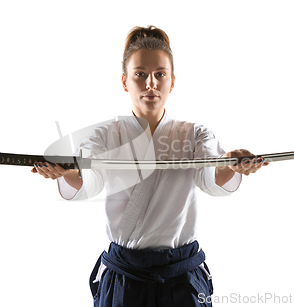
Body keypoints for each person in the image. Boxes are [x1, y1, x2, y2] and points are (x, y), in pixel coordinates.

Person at [31, 25, 268, 307]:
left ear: (173, 81)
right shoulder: (105, 135)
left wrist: (233, 165)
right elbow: (90, 179)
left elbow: (210, 177)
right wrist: (65, 172)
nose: (151, 84)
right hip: (126, 277)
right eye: (140, 74)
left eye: (160, 74)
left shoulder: (195, 134)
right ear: (124, 81)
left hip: (181, 277)